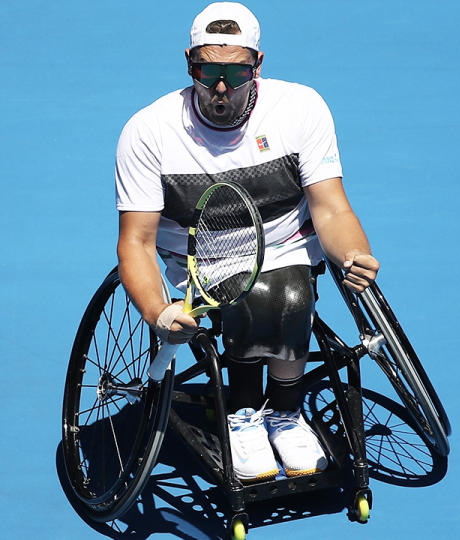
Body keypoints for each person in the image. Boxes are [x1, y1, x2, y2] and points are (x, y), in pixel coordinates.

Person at [114, 2, 379, 483]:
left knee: (288, 294)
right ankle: (241, 414)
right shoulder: (147, 131)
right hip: (200, 259)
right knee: (260, 297)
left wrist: (353, 254)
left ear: (258, 65)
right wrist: (158, 311)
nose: (220, 86)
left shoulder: (300, 108)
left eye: (235, 72)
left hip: (286, 246)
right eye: (207, 70)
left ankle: (282, 413)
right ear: (189, 62)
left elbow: (332, 209)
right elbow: (135, 242)